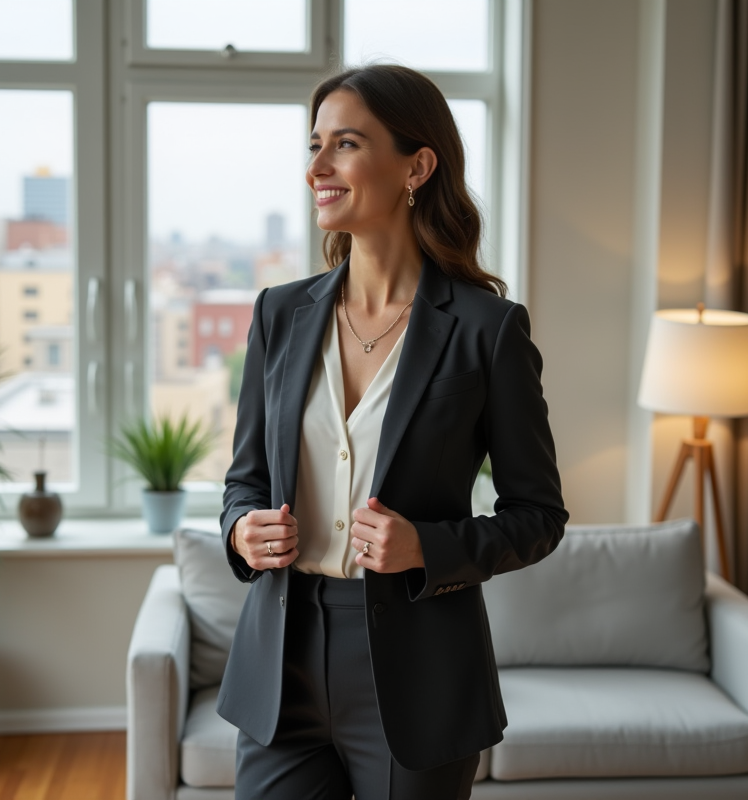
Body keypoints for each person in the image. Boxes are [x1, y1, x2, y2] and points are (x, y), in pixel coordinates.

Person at [217, 64, 568, 800]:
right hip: (280, 663)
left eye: (345, 144)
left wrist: (426, 548)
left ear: (417, 166)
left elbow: (538, 516)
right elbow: (245, 481)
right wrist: (241, 532)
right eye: (314, 145)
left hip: (419, 675)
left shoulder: (487, 330)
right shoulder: (278, 315)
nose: (317, 167)